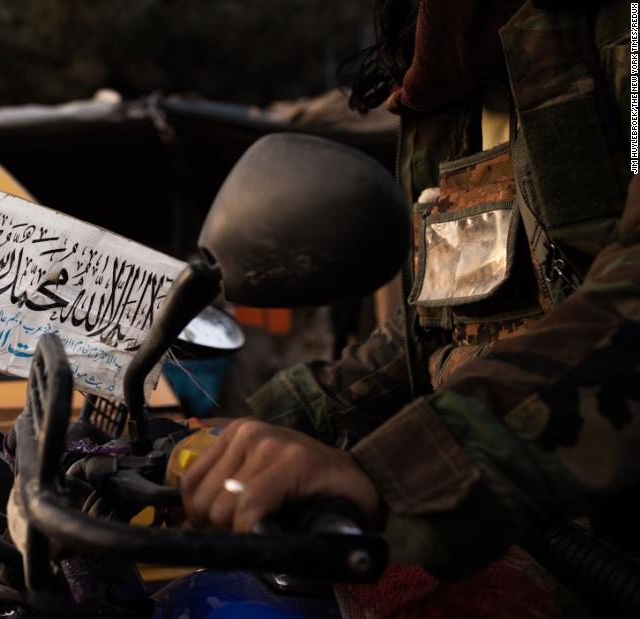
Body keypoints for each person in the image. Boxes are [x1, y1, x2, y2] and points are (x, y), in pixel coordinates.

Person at [182, 0, 639, 586]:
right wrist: (263, 426)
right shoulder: (448, 72)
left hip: (604, 555)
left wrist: (402, 470)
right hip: (508, 541)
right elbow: (440, 320)